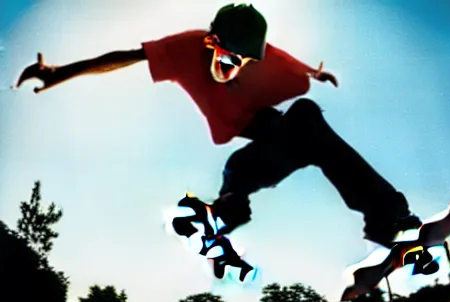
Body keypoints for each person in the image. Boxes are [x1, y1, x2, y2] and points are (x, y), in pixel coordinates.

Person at [16, 3, 421, 249]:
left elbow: (290, 63)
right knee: (240, 166)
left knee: (305, 114)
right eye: (228, 59)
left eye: (244, 63)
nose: (233, 70)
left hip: (277, 135)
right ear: (211, 43)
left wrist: (315, 74)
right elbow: (124, 56)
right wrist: (59, 73)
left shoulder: (268, 61)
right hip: (253, 159)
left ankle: (386, 218)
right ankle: (229, 208)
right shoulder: (183, 49)